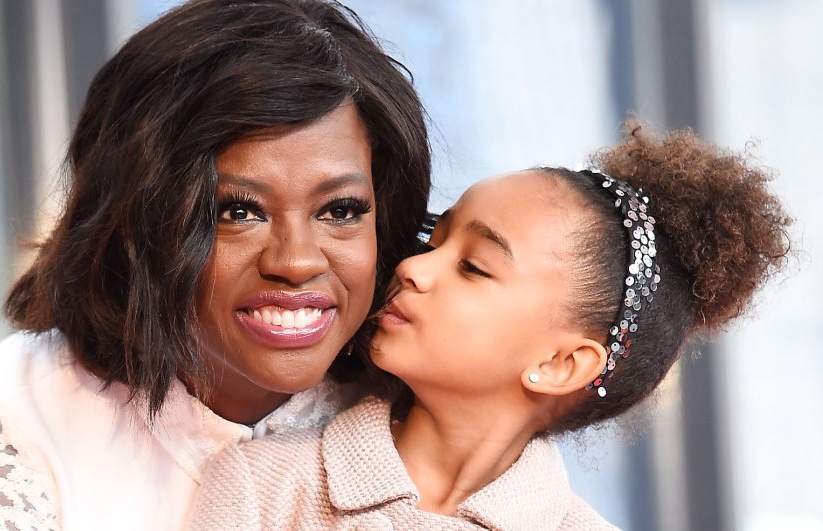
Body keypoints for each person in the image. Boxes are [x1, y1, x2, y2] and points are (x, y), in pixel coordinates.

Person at [0, 0, 431, 531]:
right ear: (138, 221)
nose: (297, 261)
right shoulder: (17, 415)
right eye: (237, 211)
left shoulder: (422, 397)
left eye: (340, 211)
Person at [190, 124, 792, 530]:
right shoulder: (261, 486)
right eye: (435, 238)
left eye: (473, 267)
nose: (413, 266)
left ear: (560, 364)